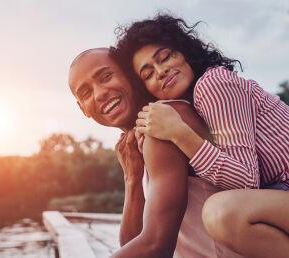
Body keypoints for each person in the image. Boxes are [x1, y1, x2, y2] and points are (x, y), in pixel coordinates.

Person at [112, 14, 289, 257]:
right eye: (148, 74)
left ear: (184, 52)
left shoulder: (213, 83)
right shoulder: (188, 109)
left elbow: (247, 183)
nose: (161, 71)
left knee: (222, 213)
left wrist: (179, 133)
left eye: (165, 56)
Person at [68, 48, 242, 257]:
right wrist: (132, 178)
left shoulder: (165, 122)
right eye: (86, 93)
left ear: (130, 73)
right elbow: (131, 243)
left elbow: (156, 247)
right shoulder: (140, 139)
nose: (100, 93)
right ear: (83, 109)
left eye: (106, 77)